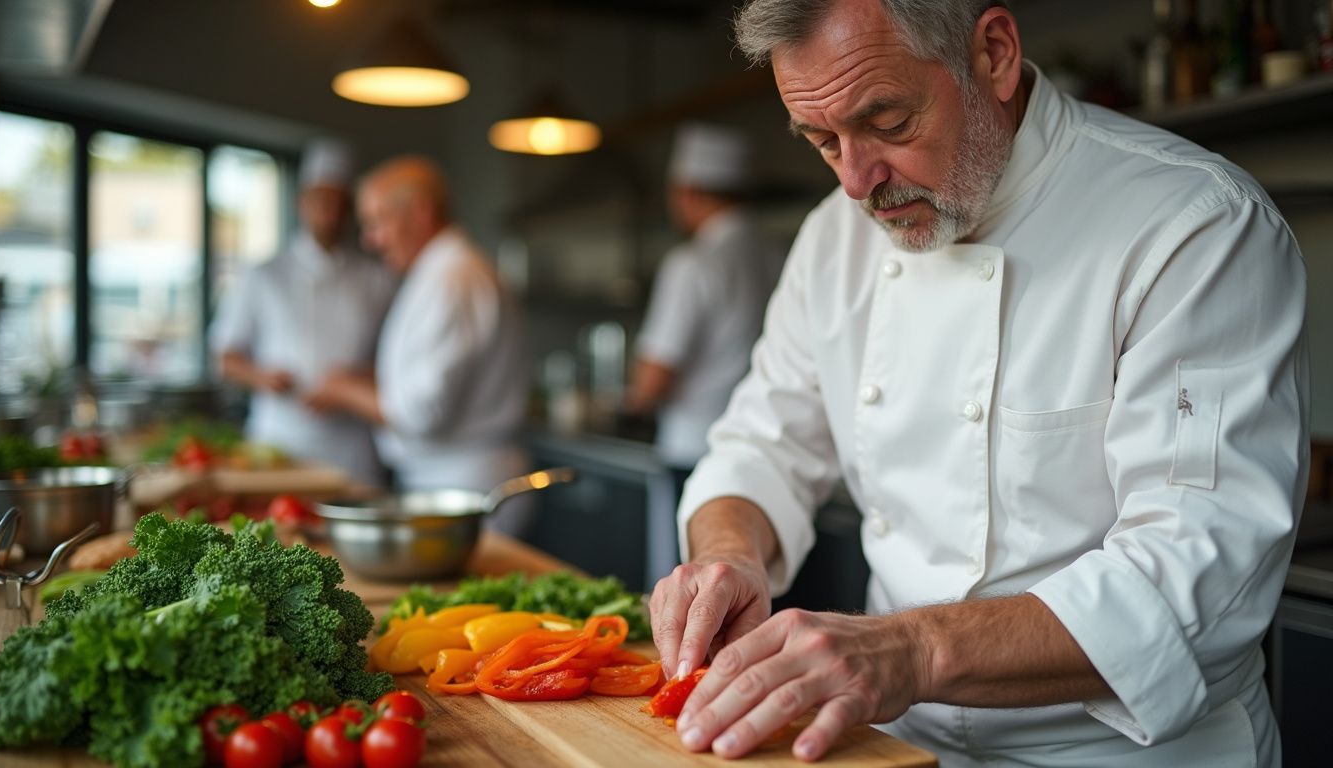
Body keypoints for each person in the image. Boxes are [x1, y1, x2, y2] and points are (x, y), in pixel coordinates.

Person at [648, 1, 1308, 766]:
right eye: (823, 142)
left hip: (1120, 751)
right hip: (896, 744)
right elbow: (762, 445)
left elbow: (1197, 571)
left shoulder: (1193, 225)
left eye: (888, 122)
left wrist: (911, 652)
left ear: (994, 53)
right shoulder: (833, 239)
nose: (857, 183)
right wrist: (730, 554)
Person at [303, 156, 531, 532]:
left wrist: (343, 389)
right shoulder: (439, 273)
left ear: (421, 212)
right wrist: (363, 376)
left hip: (466, 487)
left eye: (378, 221)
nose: (370, 239)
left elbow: (420, 412)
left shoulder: (452, 279)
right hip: (448, 481)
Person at [210, 140, 396, 486]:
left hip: (352, 444)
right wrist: (262, 377)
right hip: (280, 439)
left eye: (340, 203)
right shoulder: (264, 275)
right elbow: (225, 357)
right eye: (322, 201)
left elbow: (396, 357)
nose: (331, 213)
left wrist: (350, 382)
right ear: (302, 202)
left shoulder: (377, 279)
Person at [626, 123, 786, 501]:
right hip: (765, 449)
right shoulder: (778, 256)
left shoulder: (691, 264)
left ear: (689, 192)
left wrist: (632, 403)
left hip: (695, 447)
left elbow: (654, 377)